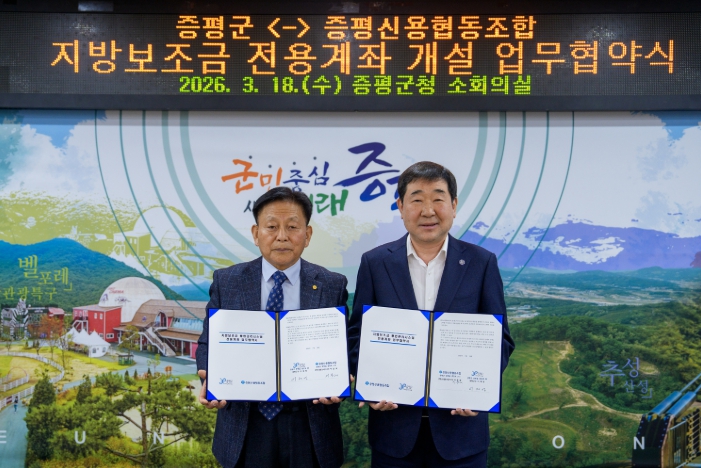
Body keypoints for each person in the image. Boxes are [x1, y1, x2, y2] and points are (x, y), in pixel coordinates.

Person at [348, 161, 515, 468]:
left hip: (461, 435)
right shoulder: (375, 263)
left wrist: (479, 390)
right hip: (393, 432)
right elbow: (357, 334)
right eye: (416, 200)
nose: (428, 211)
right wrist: (368, 386)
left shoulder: (481, 263)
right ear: (400, 207)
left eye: (438, 199)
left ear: (453, 205)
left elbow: (500, 339)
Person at [196, 186, 349, 468]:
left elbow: (343, 347)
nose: (282, 236)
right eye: (271, 226)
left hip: (309, 424)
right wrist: (210, 377)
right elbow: (208, 342)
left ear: (307, 234)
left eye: (292, 227)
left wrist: (340, 379)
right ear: (256, 234)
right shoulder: (228, 281)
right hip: (246, 422)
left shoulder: (332, 285)